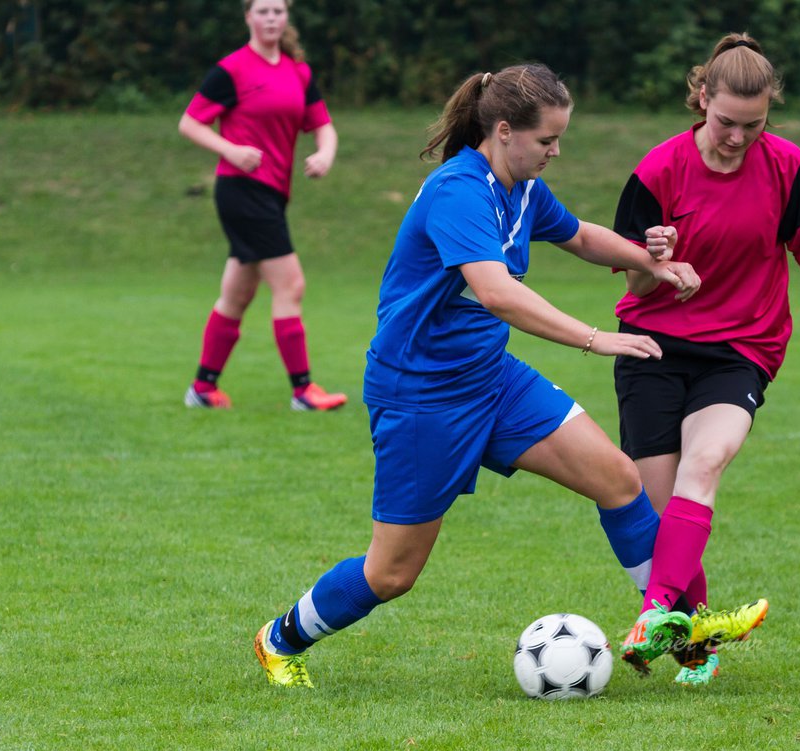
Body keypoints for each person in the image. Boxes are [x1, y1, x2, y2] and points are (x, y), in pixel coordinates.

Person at [253, 63, 704, 689]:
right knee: (392, 574)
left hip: (490, 377)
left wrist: (656, 265)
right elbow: (497, 295)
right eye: (547, 139)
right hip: (421, 394)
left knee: (618, 478)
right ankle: (281, 638)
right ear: (503, 131)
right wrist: (597, 338)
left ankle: (677, 631)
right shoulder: (459, 191)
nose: (555, 151)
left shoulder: (520, 187)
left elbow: (580, 236)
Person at [611, 33, 800, 685]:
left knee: (706, 460)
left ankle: (651, 619)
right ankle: (695, 645)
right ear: (703, 98)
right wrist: (656, 262)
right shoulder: (657, 171)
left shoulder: (786, 167)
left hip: (739, 350)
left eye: (752, 127)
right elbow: (632, 282)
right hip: (652, 350)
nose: (736, 139)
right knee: (662, 515)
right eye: (726, 123)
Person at [178, 0, 347, 411]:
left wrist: (325, 154)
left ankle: (202, 389)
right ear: (248, 17)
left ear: (287, 16)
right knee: (291, 285)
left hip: (271, 194)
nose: (271, 18)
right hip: (242, 190)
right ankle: (303, 391)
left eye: (278, 11)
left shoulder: (297, 71)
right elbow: (190, 122)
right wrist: (230, 150)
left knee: (237, 294)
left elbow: (324, 126)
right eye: (263, 11)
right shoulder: (232, 69)